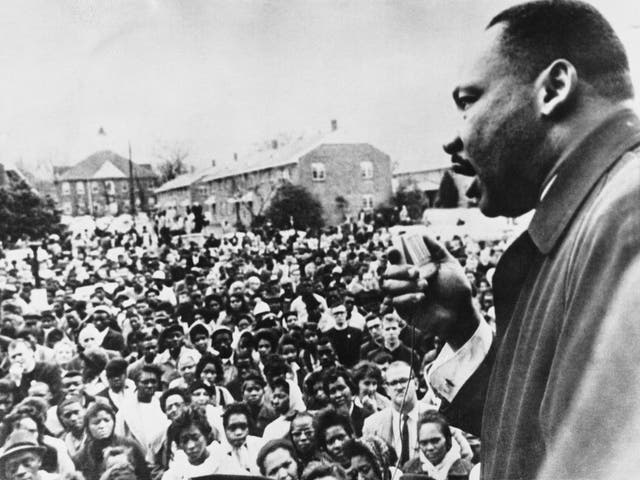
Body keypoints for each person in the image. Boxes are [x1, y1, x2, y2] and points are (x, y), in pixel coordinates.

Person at [382, 1, 640, 479]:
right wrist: (462, 327)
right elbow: (536, 439)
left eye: (468, 101)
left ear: (554, 88)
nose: (453, 141)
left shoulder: (626, 217)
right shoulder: (592, 217)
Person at [73, 402, 149, 480]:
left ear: (114, 422)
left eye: (106, 420)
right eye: (96, 422)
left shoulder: (131, 446)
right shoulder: (81, 457)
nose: (102, 426)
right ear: (88, 428)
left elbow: (145, 475)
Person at [402, 412, 472, 480]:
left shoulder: (467, 471)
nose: (430, 447)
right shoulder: (409, 470)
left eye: (435, 441)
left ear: (447, 439)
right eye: (424, 443)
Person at [161, 406, 221, 480]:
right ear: (179, 443)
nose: (190, 446)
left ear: (206, 435)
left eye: (195, 438)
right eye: (184, 440)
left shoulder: (222, 462)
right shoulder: (176, 471)